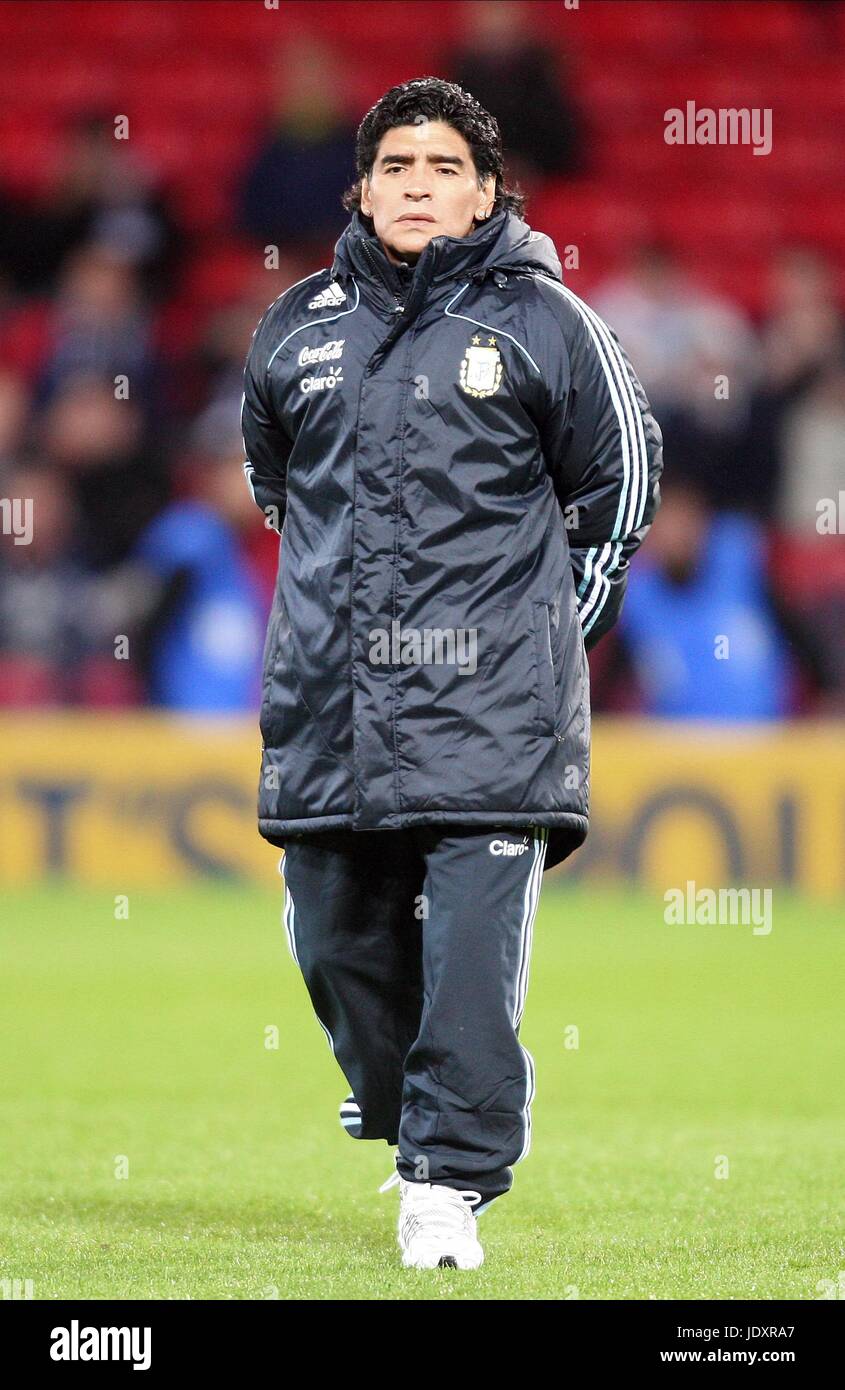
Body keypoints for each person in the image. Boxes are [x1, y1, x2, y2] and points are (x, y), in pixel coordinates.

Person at [240, 77, 663, 1270]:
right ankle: (401, 1107)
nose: (415, 185)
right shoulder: (296, 326)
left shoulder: (543, 322)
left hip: (492, 714)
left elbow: (619, 486)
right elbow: (276, 488)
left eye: (440, 168)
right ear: (360, 189)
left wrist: (544, 641)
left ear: (484, 192)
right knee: (334, 945)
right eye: (393, 167)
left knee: (469, 963)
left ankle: (444, 1179)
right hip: (330, 705)